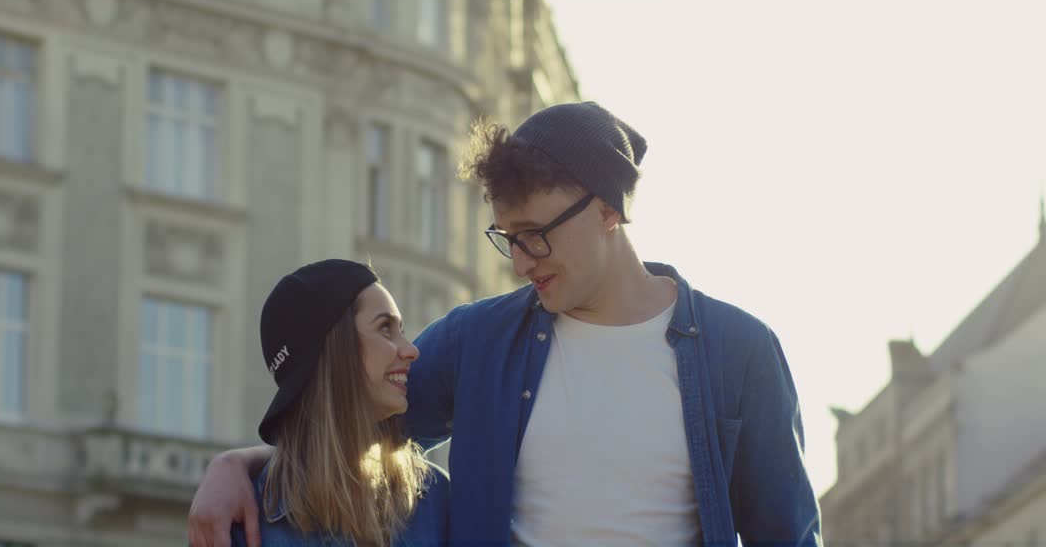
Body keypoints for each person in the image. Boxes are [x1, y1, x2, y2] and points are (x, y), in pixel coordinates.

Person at [192, 102, 821, 547]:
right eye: (507, 240)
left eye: (535, 237)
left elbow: (786, 536)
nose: (520, 263)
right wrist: (235, 468)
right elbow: (347, 423)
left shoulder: (740, 353)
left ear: (607, 209)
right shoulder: (478, 340)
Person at [228, 259, 449, 547]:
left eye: (401, 330)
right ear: (335, 348)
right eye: (385, 328)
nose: (411, 351)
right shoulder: (244, 523)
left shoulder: (436, 500)